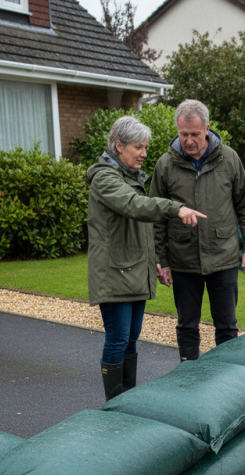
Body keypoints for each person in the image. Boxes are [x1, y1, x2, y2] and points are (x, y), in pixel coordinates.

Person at [87, 116, 206, 400]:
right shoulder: (105, 178)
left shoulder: (127, 177)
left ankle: (128, 398)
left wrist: (155, 261)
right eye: (138, 147)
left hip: (133, 270)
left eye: (145, 147)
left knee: (130, 339)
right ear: (119, 145)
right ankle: (114, 404)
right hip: (114, 273)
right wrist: (175, 208)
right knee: (118, 339)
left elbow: (138, 230)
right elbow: (134, 206)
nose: (144, 153)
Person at [149, 99, 245, 361]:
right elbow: (156, 216)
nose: (188, 140)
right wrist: (161, 260)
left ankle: (224, 378)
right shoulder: (165, 165)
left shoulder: (228, 158)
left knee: (227, 327)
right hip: (183, 260)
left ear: (207, 129)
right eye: (183, 134)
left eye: (195, 134)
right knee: (187, 326)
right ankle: (189, 377)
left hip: (224, 257)